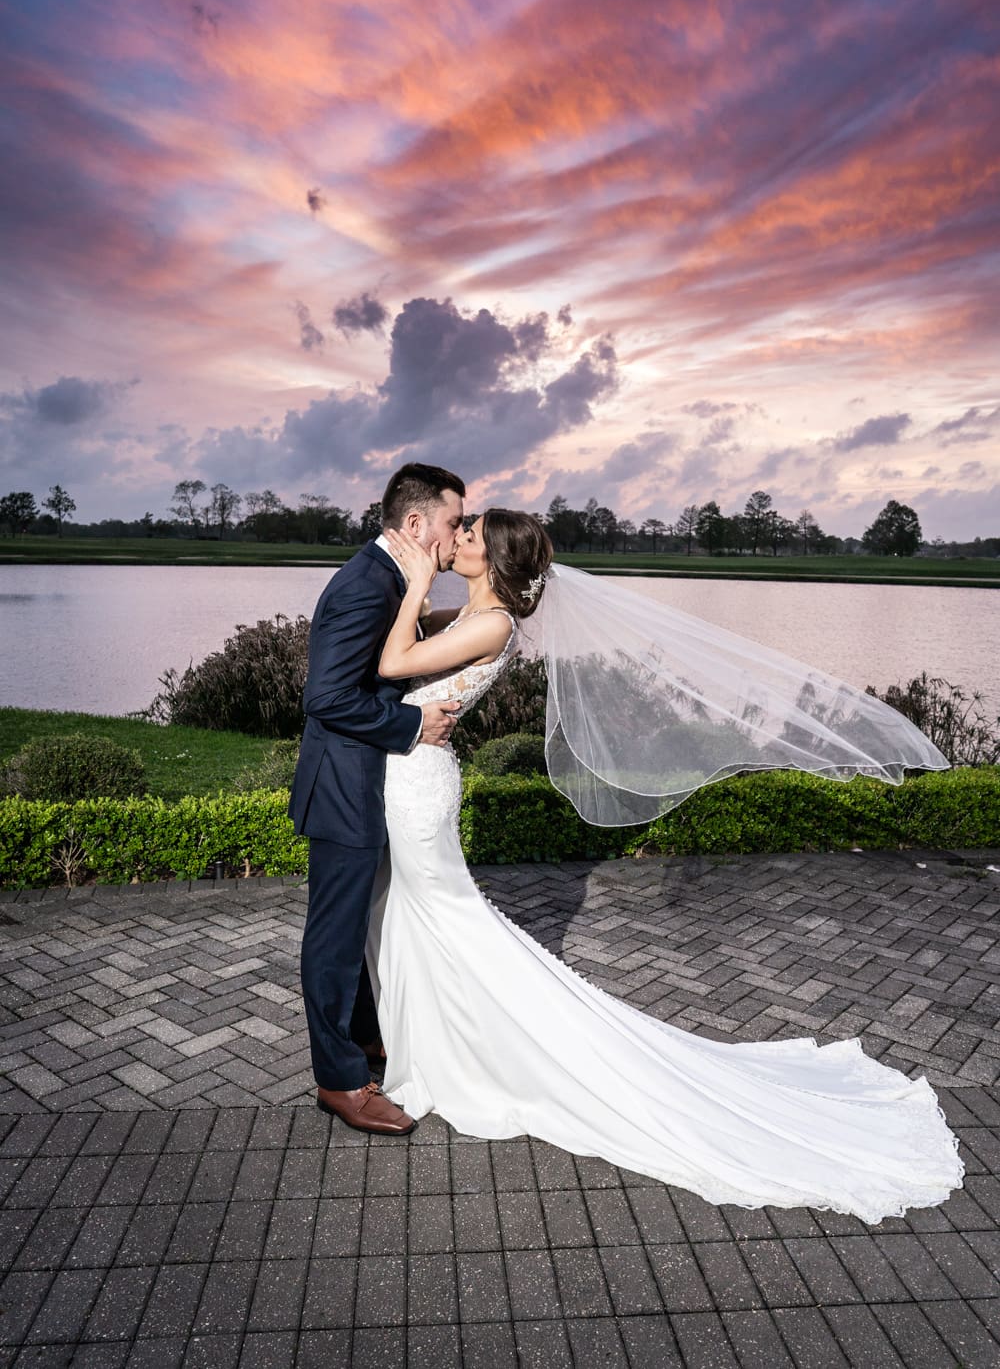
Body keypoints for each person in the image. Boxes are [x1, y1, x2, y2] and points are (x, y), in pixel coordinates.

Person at [368, 507, 963, 1223]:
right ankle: (432, 1044)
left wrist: (410, 583)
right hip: (415, 776)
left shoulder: (491, 625)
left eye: (467, 534)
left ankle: (478, 1053)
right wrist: (420, 590)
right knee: (427, 913)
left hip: (418, 785)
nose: (453, 539)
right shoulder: (473, 612)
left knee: (445, 914)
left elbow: (392, 664)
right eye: (456, 530)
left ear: (492, 557)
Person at [289, 462, 467, 1135]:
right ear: (416, 523)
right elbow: (327, 698)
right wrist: (414, 725)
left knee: (359, 925)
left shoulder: (393, 578)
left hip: (369, 784)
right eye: (452, 523)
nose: (456, 536)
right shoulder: (367, 587)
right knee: (333, 938)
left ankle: (364, 1038)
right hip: (344, 787)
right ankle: (340, 1082)